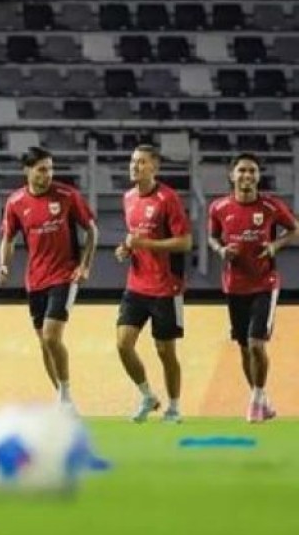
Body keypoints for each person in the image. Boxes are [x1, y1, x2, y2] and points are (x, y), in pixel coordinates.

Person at [0, 146, 98, 408]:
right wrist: (4, 265)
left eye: (51, 168)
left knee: (52, 337)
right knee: (44, 342)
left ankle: (65, 395)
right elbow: (8, 238)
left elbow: (92, 231)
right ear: (27, 171)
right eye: (42, 169)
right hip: (35, 280)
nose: (48, 174)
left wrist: (85, 265)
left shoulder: (67, 195)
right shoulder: (15, 202)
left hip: (64, 275)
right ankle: (61, 398)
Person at [207, 153, 295, 423]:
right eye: (242, 171)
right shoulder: (219, 207)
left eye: (252, 171)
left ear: (258, 176)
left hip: (264, 283)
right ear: (232, 175)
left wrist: (274, 246)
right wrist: (222, 250)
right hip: (234, 284)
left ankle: (256, 399)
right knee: (245, 347)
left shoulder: (271, 206)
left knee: (257, 344)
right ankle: (262, 398)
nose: (247, 176)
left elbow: (294, 229)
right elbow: (211, 237)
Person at [116, 145, 193, 423]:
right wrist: (126, 250)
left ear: (154, 168)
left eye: (141, 162)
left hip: (166, 287)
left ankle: (174, 407)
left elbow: (185, 242)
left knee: (165, 351)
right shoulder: (128, 198)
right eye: (132, 161)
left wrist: (145, 244)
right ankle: (147, 395)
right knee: (123, 344)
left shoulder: (167, 198)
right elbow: (134, 238)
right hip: (136, 285)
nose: (134, 166)